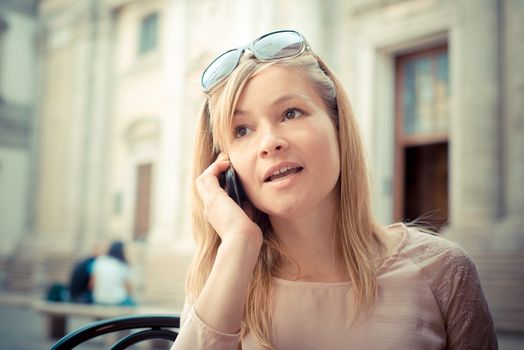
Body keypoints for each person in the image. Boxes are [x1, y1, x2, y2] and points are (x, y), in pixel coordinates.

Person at [172, 30, 497, 349]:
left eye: (290, 113)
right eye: (242, 130)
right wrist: (240, 244)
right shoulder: (222, 276)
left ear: (338, 127)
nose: (270, 143)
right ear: (224, 168)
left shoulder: (443, 271)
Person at [90, 241, 135, 306]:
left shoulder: (99, 260)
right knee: (133, 305)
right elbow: (128, 287)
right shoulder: (122, 264)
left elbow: (92, 284)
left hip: (99, 299)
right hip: (117, 300)